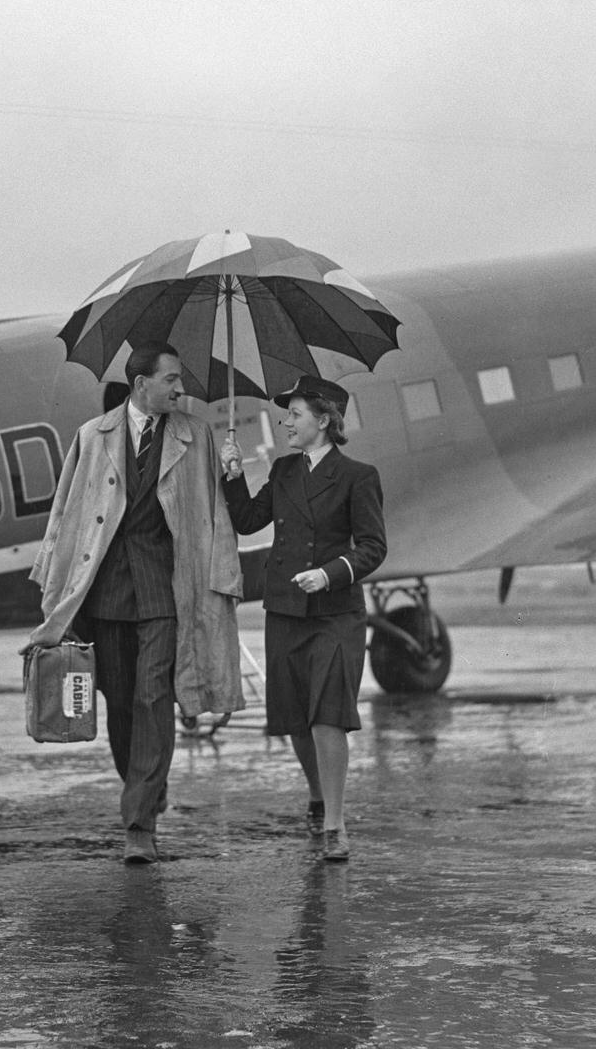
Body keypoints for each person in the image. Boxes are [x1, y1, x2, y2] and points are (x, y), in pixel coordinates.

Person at [24, 343, 244, 864]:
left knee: (153, 699)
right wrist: (54, 592)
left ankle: (139, 824)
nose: (179, 387)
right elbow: (65, 515)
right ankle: (146, 784)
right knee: (120, 703)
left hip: (168, 592)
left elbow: (217, 513)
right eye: (170, 378)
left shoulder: (198, 435)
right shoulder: (91, 437)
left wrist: (233, 477)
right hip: (106, 592)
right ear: (140, 383)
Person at [219, 376, 386, 861]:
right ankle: (317, 797)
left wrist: (331, 574)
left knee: (327, 716)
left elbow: (373, 547)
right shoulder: (285, 470)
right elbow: (249, 520)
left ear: (325, 420)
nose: (285, 421)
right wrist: (232, 476)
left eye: (294, 414)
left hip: (336, 612)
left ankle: (335, 823)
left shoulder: (359, 476)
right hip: (287, 610)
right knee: (296, 717)